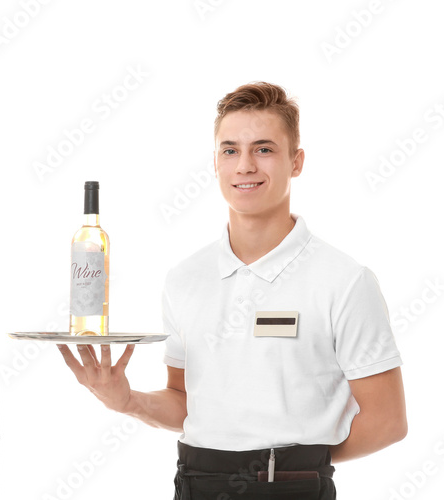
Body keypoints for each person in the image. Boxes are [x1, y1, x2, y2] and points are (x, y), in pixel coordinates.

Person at [57, 81, 407, 499]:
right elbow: (186, 402)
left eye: (263, 149)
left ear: (296, 162)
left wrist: (297, 467)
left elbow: (388, 422)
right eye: (230, 150)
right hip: (195, 483)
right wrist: (126, 400)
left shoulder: (344, 281)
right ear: (216, 163)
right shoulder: (184, 279)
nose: (244, 165)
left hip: (293, 488)